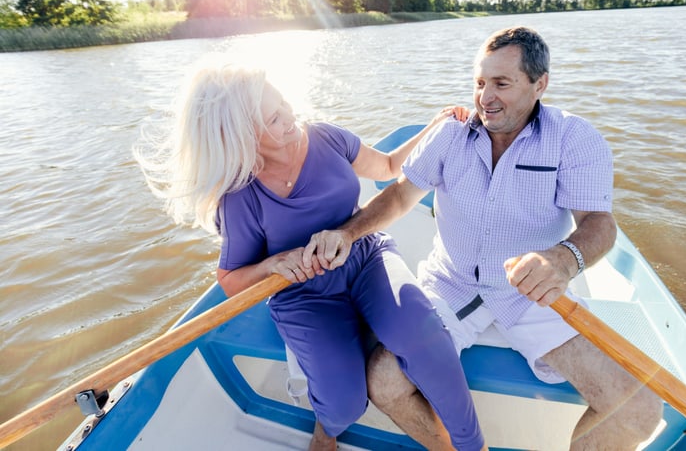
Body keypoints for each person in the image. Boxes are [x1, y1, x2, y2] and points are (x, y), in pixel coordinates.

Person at [303, 27, 664, 450]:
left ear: (539, 83)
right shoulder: (449, 135)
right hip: (451, 285)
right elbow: (400, 194)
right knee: (383, 382)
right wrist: (347, 233)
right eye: (479, 83)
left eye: (501, 83)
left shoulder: (575, 138)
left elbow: (599, 223)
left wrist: (563, 261)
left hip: (533, 293)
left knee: (639, 409)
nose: (485, 97)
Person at [134, 57, 486, 451]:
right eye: (272, 118)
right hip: (303, 293)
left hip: (365, 257)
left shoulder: (325, 137)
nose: (289, 114)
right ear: (242, 136)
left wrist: (434, 127)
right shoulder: (240, 198)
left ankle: (474, 446)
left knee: (421, 332)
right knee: (343, 402)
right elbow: (231, 280)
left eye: (282, 101)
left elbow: (387, 167)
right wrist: (272, 264)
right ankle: (327, 429)